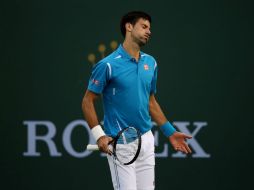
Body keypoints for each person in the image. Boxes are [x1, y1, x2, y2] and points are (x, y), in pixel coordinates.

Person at [82, 11, 192, 190]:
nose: (149, 31)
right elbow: (87, 101)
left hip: (146, 140)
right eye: (144, 26)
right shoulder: (107, 65)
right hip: (121, 143)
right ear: (129, 27)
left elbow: (151, 102)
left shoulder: (151, 63)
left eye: (150, 28)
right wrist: (99, 135)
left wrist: (170, 132)